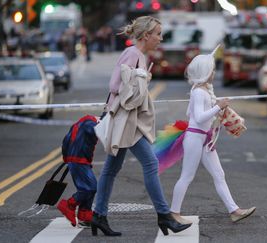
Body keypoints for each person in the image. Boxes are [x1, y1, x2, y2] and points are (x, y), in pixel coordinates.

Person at [92, 16, 192, 237]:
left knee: (111, 168)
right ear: (146, 35)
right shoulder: (132, 54)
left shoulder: (139, 56)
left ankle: (98, 215)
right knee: (150, 163)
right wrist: (139, 77)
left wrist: (141, 77)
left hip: (129, 120)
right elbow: (115, 85)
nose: (160, 38)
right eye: (157, 33)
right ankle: (164, 215)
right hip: (127, 121)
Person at [169, 51, 256, 224]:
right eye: (212, 70)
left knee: (219, 174)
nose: (214, 73)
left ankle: (234, 210)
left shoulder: (200, 90)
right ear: (204, 71)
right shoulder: (199, 92)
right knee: (187, 176)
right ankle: (173, 213)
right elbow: (200, 117)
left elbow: (191, 113)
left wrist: (217, 109)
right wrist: (218, 107)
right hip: (195, 138)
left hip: (204, 139)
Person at [57, 115, 99, 228]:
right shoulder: (91, 123)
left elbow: (65, 140)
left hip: (75, 160)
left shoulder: (79, 123)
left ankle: (84, 215)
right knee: (90, 187)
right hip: (80, 160)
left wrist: (66, 158)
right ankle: (69, 204)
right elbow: (97, 130)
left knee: (86, 188)